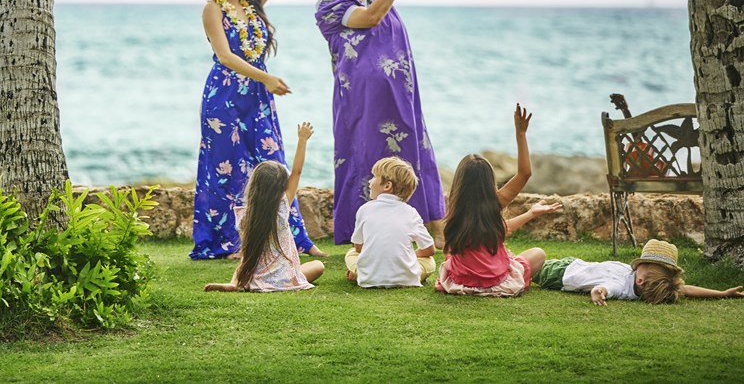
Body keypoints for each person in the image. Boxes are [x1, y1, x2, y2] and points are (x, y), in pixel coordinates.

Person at [191, 0, 327, 260]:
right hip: (225, 96)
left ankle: (297, 238)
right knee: (228, 167)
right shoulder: (212, 8)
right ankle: (234, 241)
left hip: (257, 96)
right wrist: (266, 77)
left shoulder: (253, 3)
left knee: (273, 160)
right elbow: (224, 55)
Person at [311, 0, 444, 245]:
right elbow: (369, 17)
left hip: (400, 89)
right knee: (366, 157)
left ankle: (433, 232)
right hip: (362, 101)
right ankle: (365, 236)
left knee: (415, 149)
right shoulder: (328, 6)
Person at [435, 105, 562, 297]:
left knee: (453, 256)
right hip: (496, 281)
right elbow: (524, 173)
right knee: (538, 254)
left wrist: (530, 213)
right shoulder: (497, 202)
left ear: (460, 182)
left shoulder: (454, 209)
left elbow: (452, 247)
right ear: (488, 181)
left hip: (461, 282)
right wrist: (521, 133)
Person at [204, 123, 326, 291]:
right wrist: (302, 140)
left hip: (255, 277)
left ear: (253, 186)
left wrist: (239, 280)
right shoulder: (282, 209)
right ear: (282, 187)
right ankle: (272, 282)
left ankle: (234, 284)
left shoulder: (245, 217)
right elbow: (296, 172)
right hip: (285, 276)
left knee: (245, 259)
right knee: (318, 265)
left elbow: (246, 255)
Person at [535, 238, 744, 305]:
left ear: (642, 280)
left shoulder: (621, 287)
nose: (636, 265)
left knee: (522, 262)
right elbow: (685, 288)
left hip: (558, 274)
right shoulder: (649, 281)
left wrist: (597, 292)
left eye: (643, 263)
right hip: (575, 263)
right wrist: (722, 293)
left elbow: (606, 289)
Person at [345, 156, 436, 288]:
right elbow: (429, 250)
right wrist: (411, 256)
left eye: (374, 177)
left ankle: (359, 273)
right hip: (406, 279)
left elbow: (358, 247)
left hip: (369, 278)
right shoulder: (411, 212)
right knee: (430, 262)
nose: (370, 181)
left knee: (351, 254)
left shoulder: (364, 209)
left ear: (387, 186)